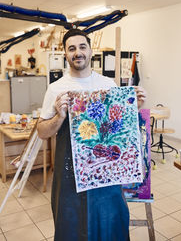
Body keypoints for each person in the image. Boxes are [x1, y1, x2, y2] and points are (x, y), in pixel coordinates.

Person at [37, 28, 146, 241]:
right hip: (70, 174)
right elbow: (42, 132)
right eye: (71, 48)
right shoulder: (56, 88)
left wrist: (135, 107)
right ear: (66, 54)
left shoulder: (108, 85)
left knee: (109, 221)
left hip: (106, 171)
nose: (77, 52)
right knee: (71, 224)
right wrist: (59, 116)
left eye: (82, 47)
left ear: (90, 50)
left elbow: (121, 128)